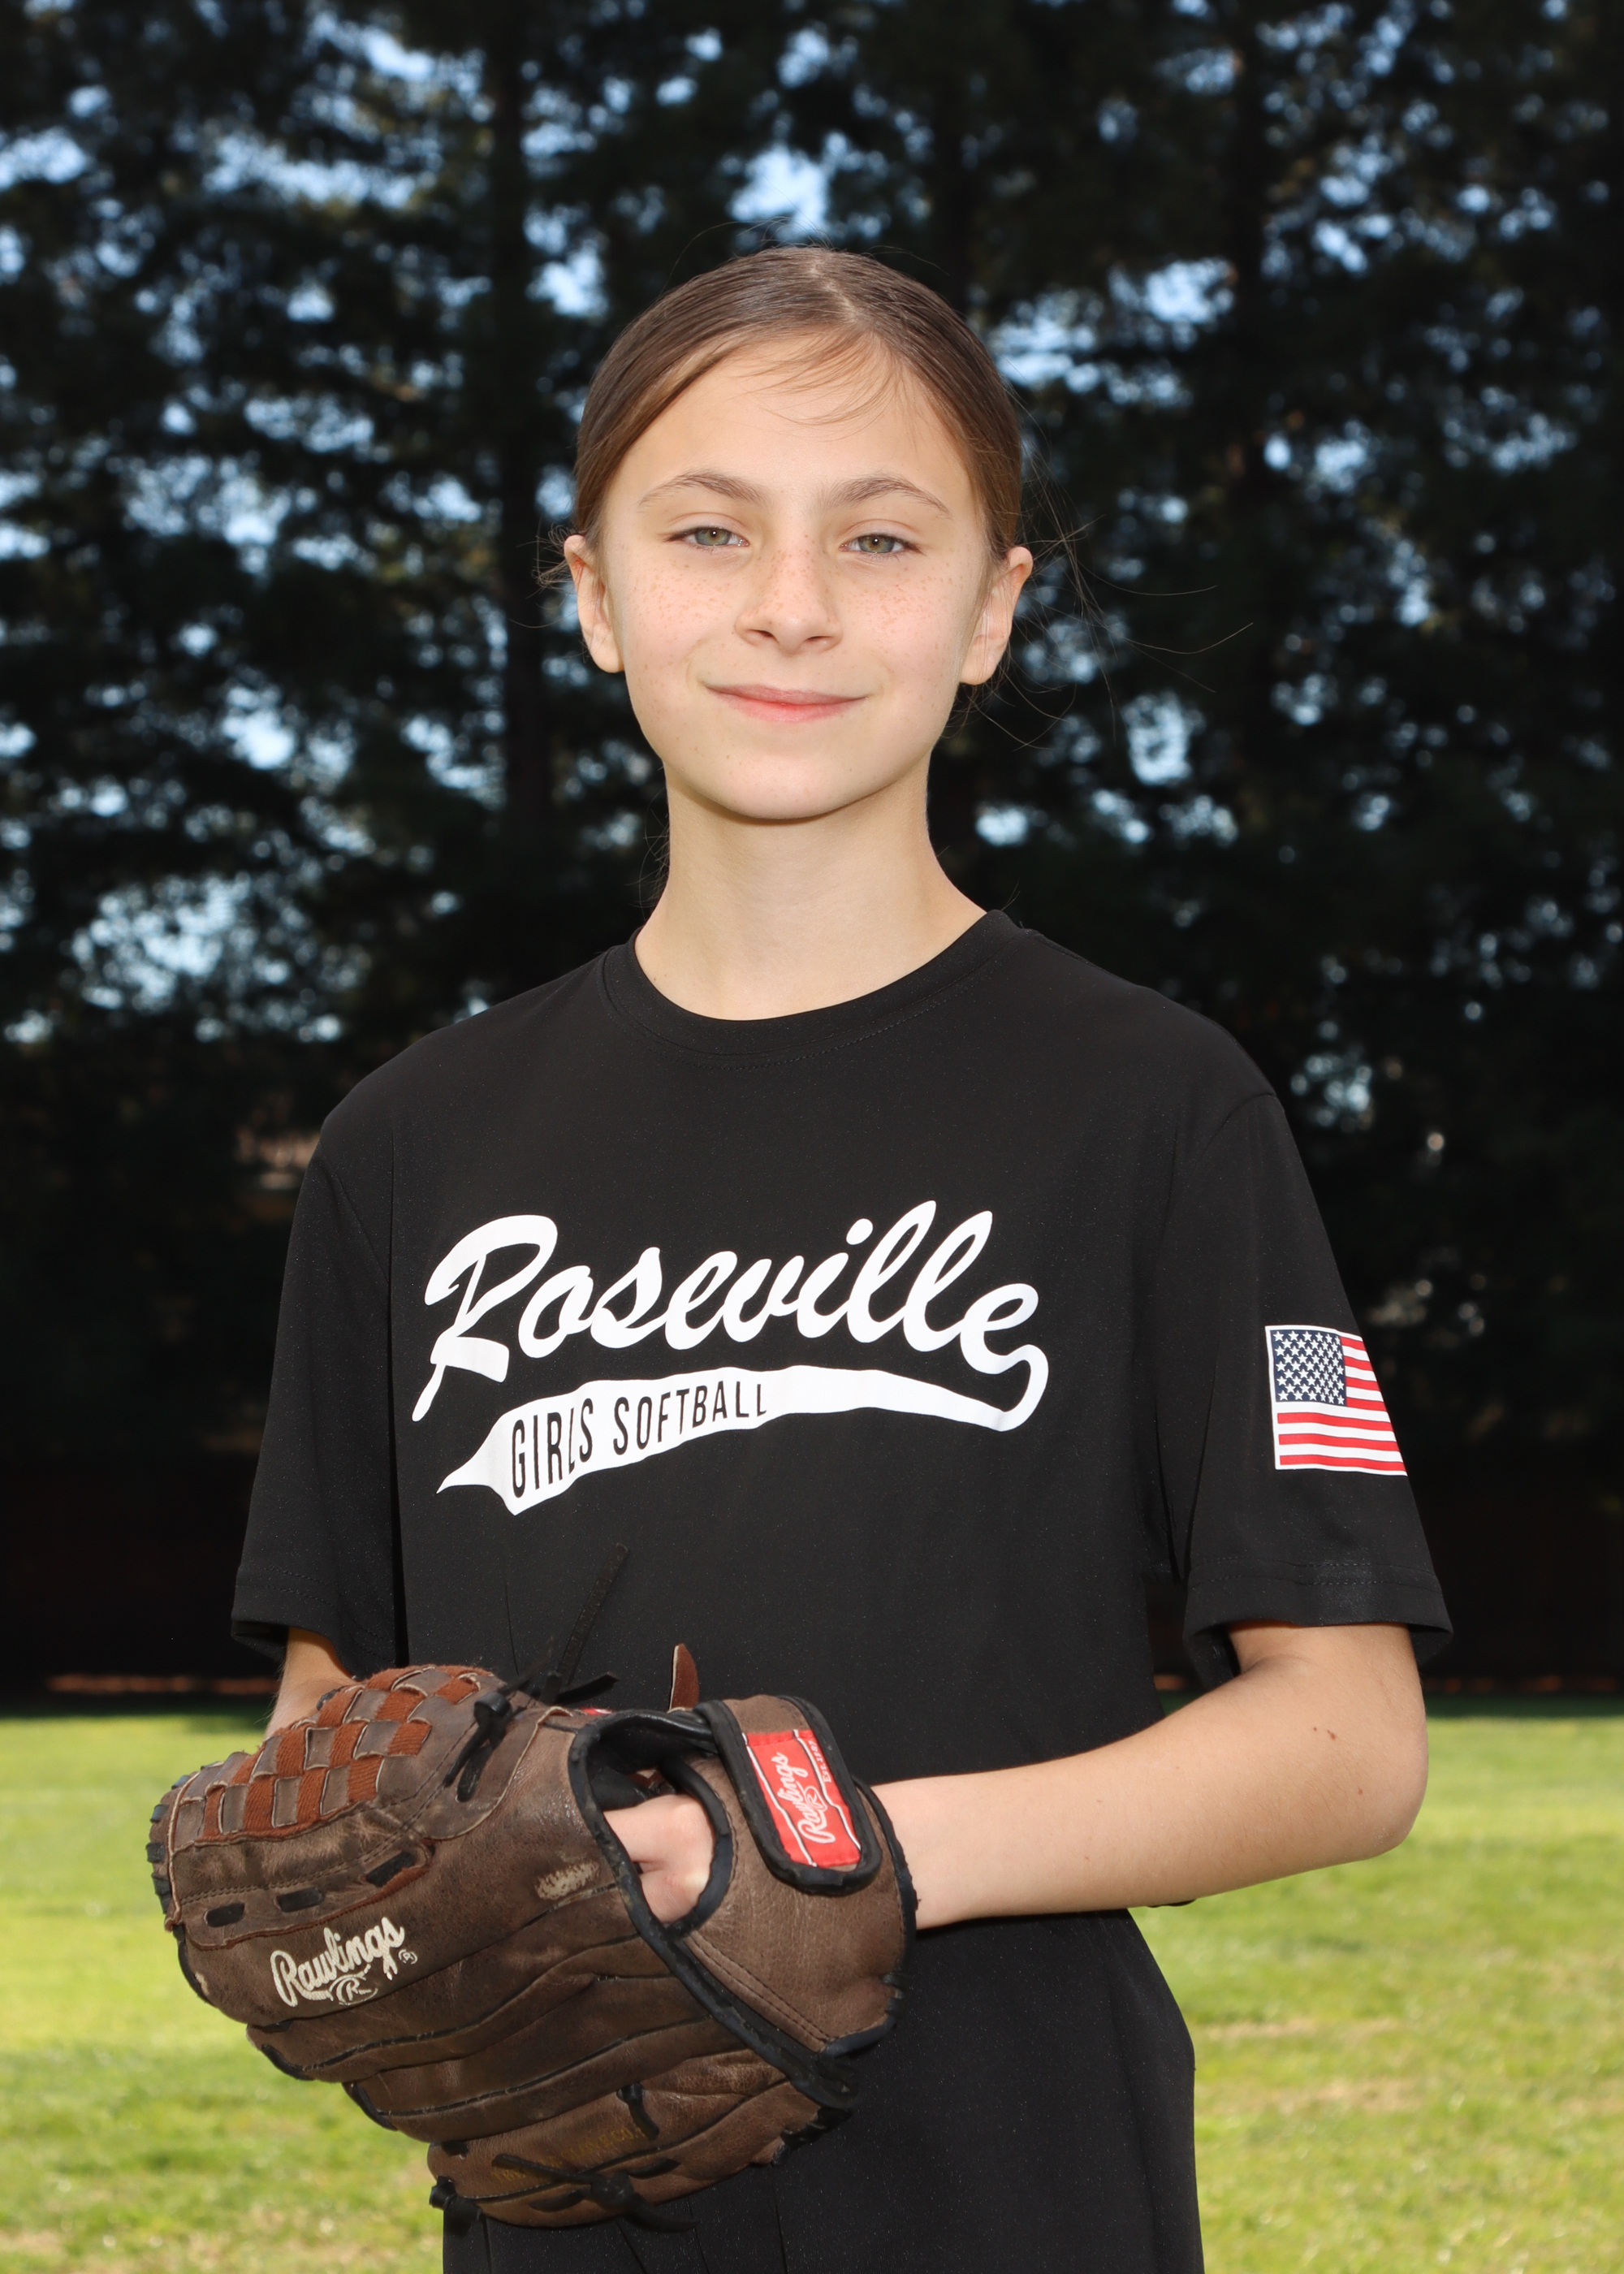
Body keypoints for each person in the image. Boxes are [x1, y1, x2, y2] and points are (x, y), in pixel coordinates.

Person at [234, 246, 1449, 2274]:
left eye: (878, 537)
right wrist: (366, 1863)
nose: (790, 601)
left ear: (989, 609)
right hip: (564, 2198)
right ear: (594, 591)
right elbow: (331, 1696)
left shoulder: (1155, 1107)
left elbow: (1347, 1735)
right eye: (707, 530)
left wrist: (824, 1849)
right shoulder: (411, 1145)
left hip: (1019, 2186)